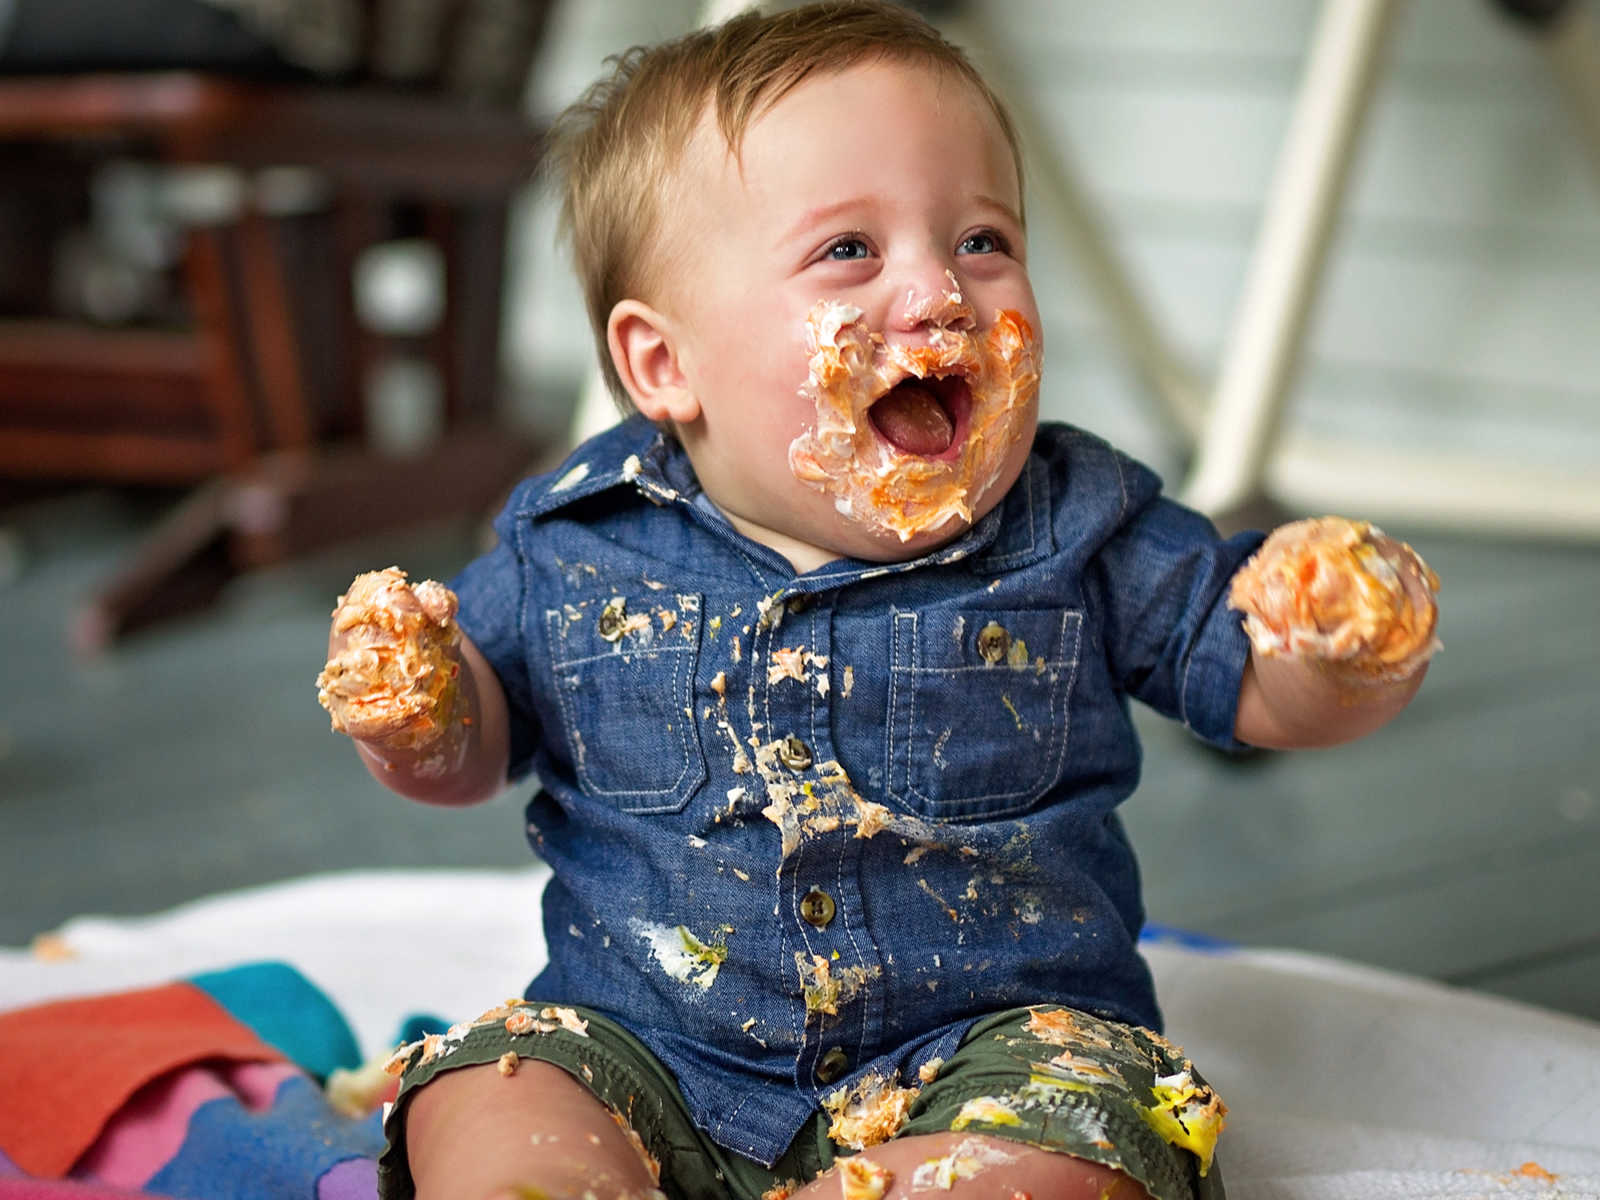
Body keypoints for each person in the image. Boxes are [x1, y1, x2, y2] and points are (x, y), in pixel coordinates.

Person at [314, 4, 1440, 1198]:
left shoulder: (1079, 525)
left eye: (983, 240)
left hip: (1002, 1052)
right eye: (849, 251)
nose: (941, 292)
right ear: (664, 366)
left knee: (1077, 1146)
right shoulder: (577, 541)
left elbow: (1254, 683)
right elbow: (472, 751)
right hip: (646, 1048)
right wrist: (423, 711)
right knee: (483, 1092)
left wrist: (1335, 648)